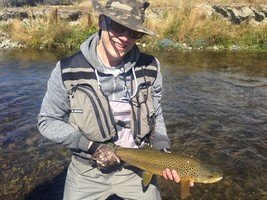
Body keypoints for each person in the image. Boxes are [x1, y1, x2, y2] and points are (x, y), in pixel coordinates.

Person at [37, 0, 193, 199]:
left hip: (137, 167)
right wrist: (90, 146)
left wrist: (163, 151)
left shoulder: (150, 67)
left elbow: (156, 113)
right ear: (101, 21)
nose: (125, 38)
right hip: (87, 170)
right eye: (118, 27)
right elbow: (47, 121)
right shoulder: (67, 70)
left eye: (134, 32)